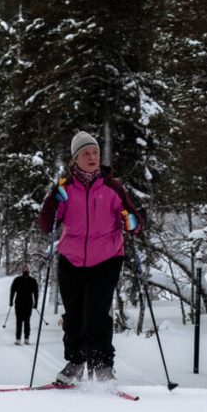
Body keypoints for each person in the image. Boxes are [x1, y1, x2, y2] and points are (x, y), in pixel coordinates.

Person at [38, 131, 141, 384]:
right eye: (86, 153)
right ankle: (76, 363)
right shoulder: (65, 189)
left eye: (95, 152)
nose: (92, 157)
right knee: (73, 315)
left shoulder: (112, 187)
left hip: (106, 258)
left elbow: (137, 225)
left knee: (96, 313)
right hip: (71, 259)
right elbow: (45, 223)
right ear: (76, 159)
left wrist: (129, 217)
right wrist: (53, 201)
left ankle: (102, 366)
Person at [9, 264, 39, 344]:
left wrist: (36, 303)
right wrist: (11, 301)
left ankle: (26, 338)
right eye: (24, 269)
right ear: (22, 271)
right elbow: (12, 291)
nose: (25, 271)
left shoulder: (32, 280)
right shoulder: (17, 280)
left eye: (26, 269)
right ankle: (18, 338)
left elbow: (36, 293)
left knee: (26, 321)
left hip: (28, 303)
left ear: (28, 271)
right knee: (19, 321)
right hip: (19, 303)